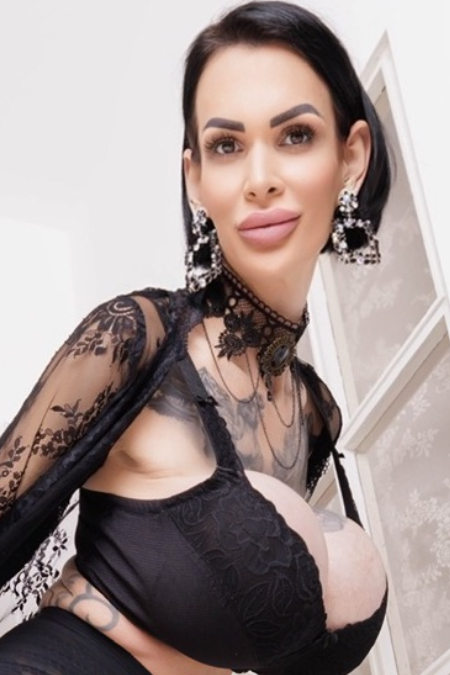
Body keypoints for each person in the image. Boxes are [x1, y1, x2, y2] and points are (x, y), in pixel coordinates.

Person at [0, 1, 392, 674]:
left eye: (295, 135)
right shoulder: (139, 340)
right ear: (197, 181)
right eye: (227, 146)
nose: (260, 179)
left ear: (350, 157)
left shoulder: (315, 413)